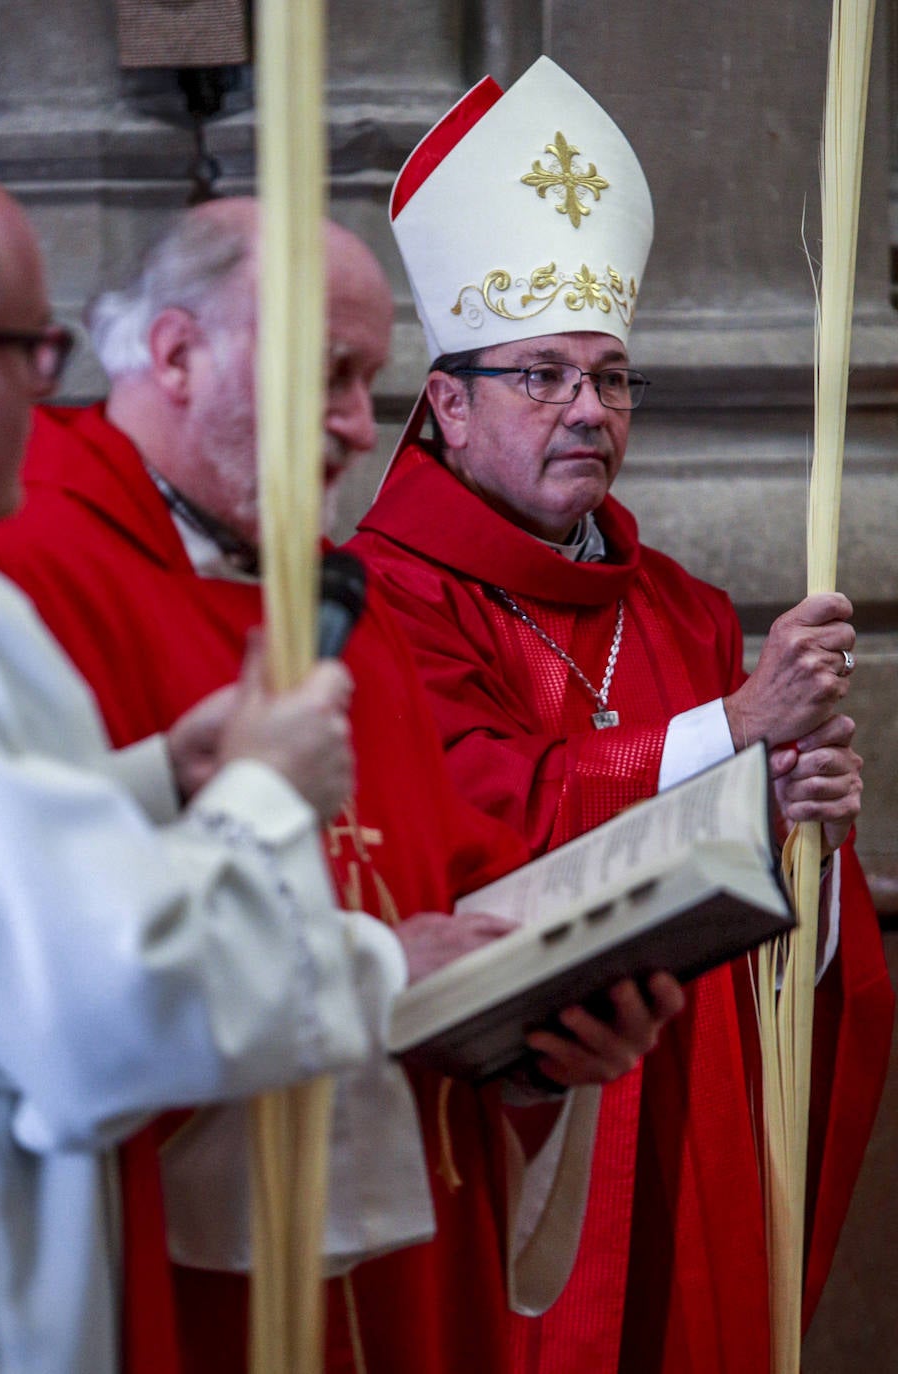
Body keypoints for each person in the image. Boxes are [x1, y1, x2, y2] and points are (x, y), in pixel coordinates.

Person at [0, 195, 685, 1374]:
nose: (362, 430)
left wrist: (540, 1040)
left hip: (408, 1235)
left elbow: (443, 890)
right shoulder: (24, 574)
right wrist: (378, 967)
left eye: (372, 382)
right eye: (331, 377)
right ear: (173, 354)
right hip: (181, 1256)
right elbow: (52, 973)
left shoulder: (327, 598)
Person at [350, 57, 895, 1374]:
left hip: (687, 1117)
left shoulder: (683, 609)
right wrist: (738, 729)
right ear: (448, 400)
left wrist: (806, 848)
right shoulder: (376, 601)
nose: (590, 408)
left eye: (611, 376)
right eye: (542, 374)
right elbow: (490, 823)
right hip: (511, 1129)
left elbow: (786, 935)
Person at [0, 138, 423, 1374]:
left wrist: (151, 785)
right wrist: (256, 795)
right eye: (39, 353)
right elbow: (109, 1021)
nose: (55, 396)